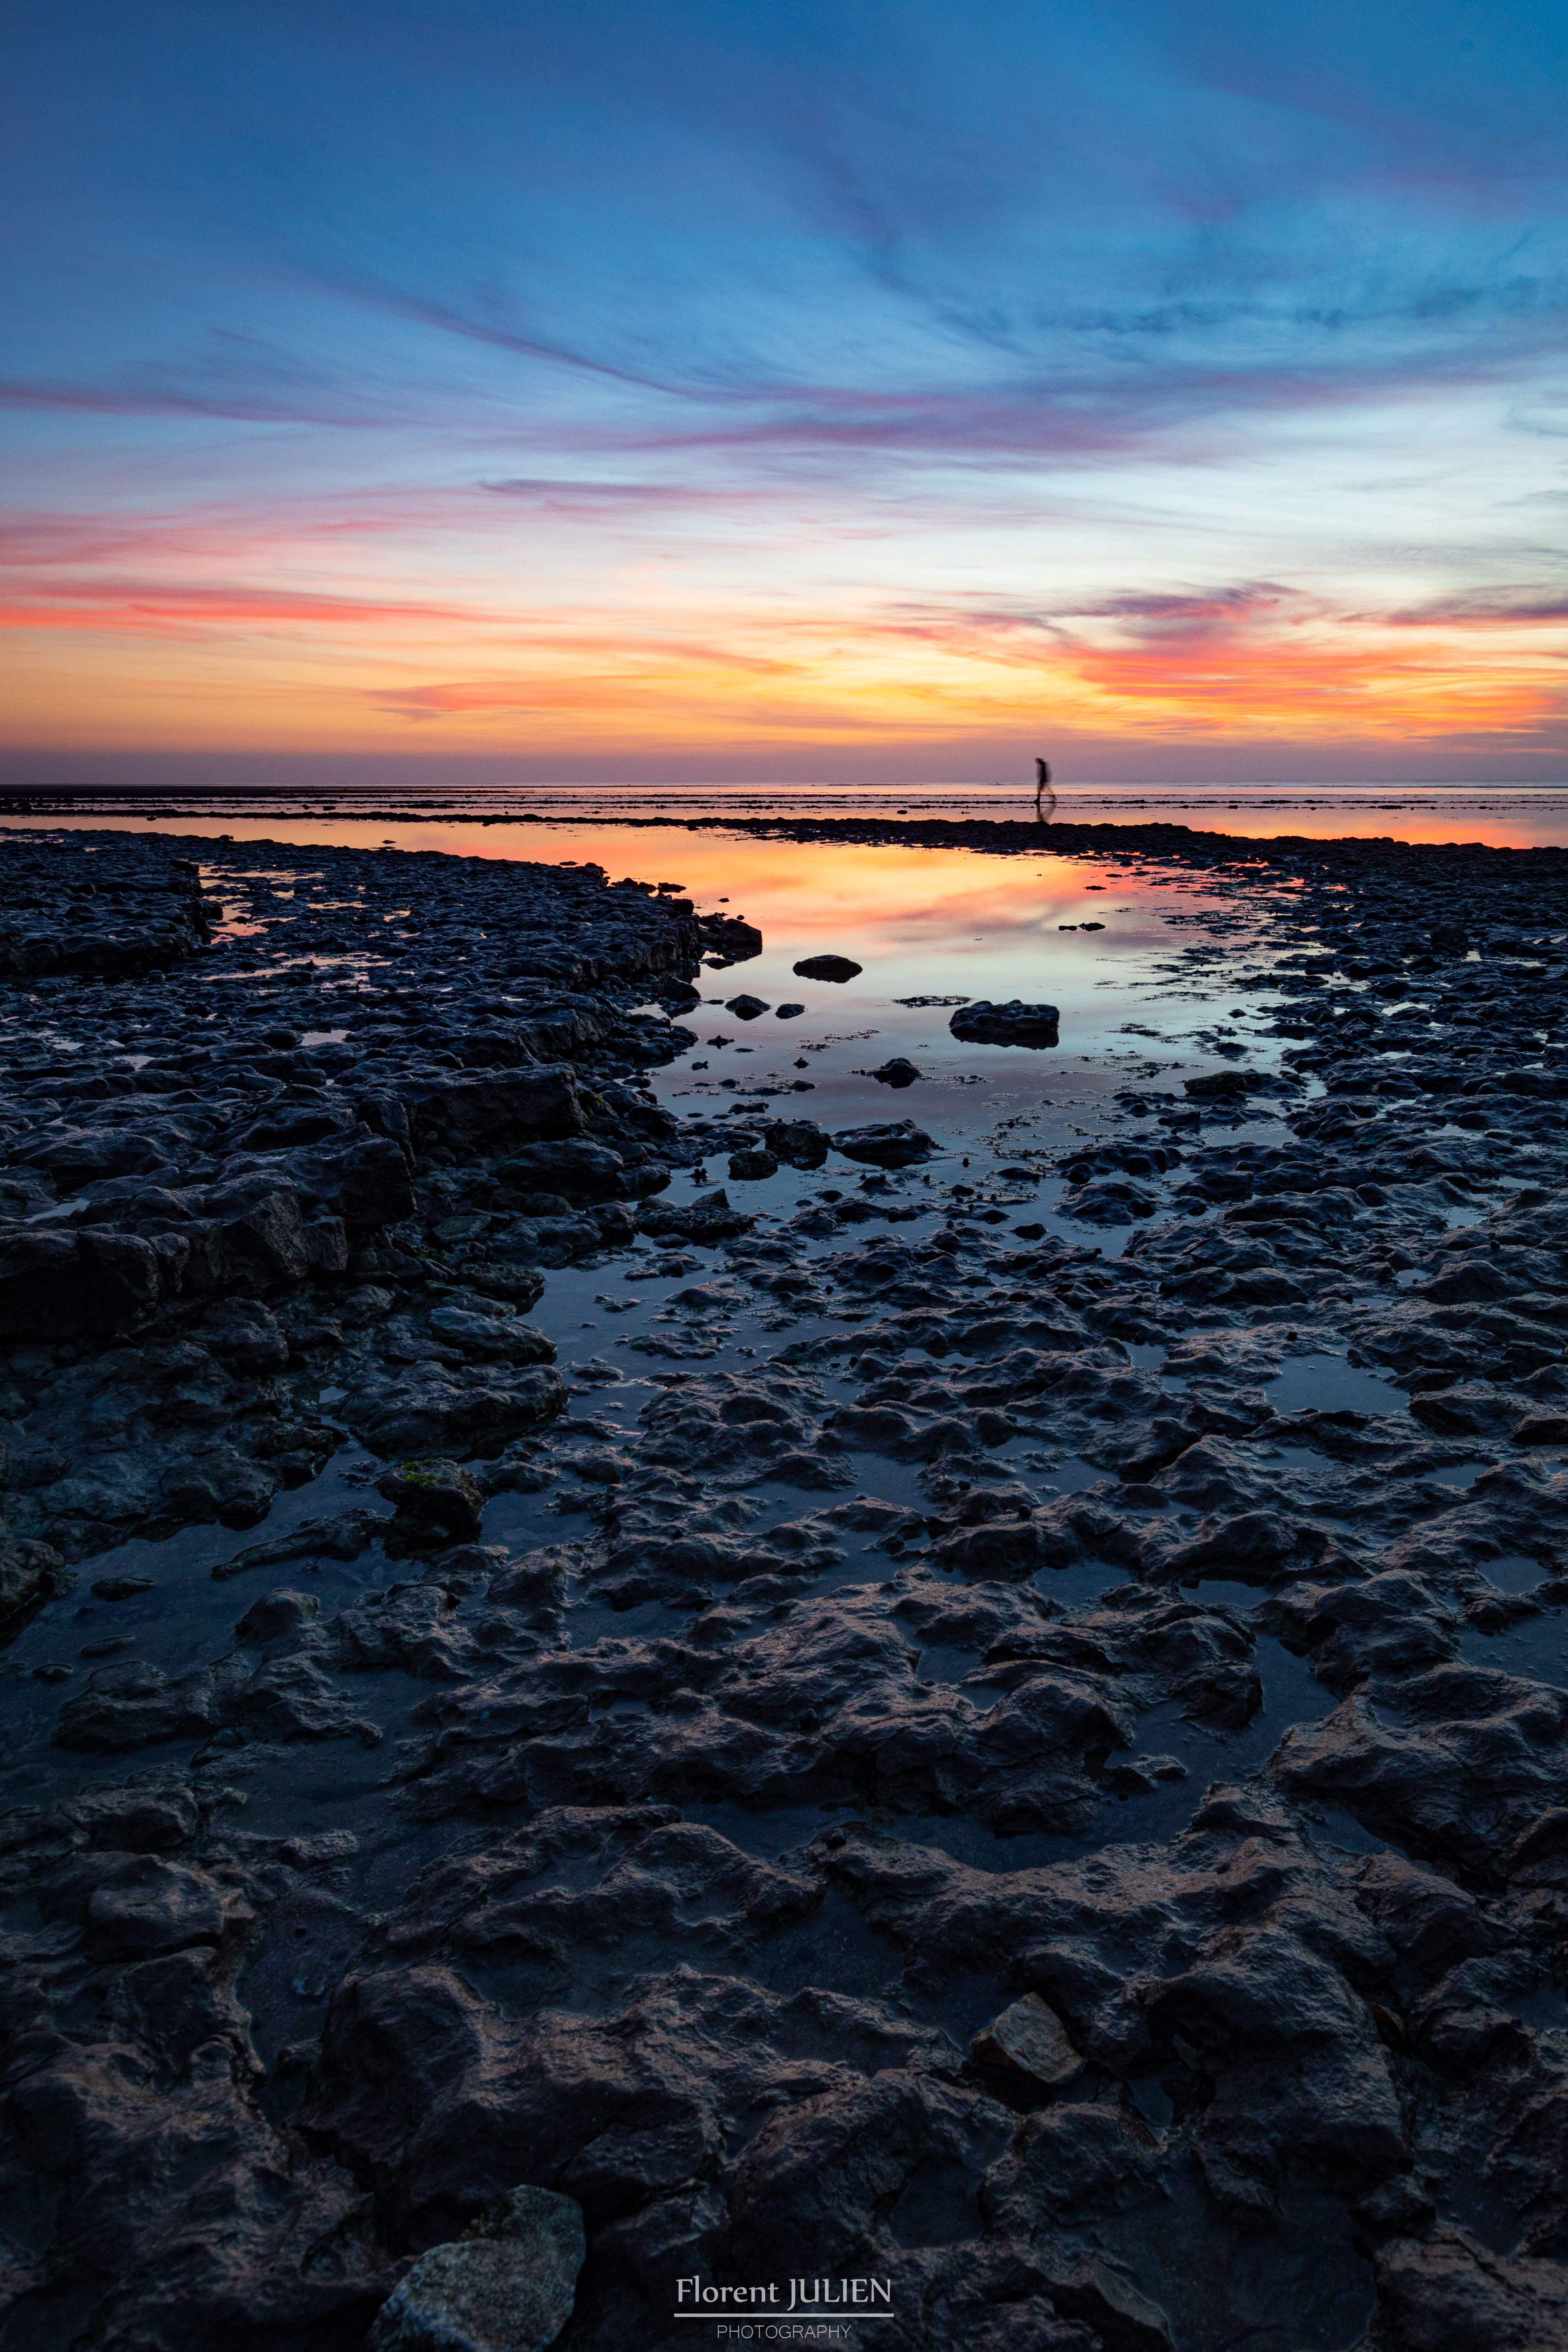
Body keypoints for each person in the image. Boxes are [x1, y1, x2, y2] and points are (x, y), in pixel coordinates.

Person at [1035, 758, 1055, 822]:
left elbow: (1044, 774)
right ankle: (1052, 797)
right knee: (1044, 790)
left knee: (1041, 790)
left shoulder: (1043, 766)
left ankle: (1039, 799)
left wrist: (1042, 780)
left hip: (1043, 780)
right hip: (1043, 779)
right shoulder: (1043, 765)